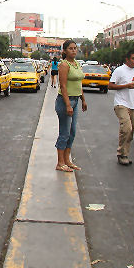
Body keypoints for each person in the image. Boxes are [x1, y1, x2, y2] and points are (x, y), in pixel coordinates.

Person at [108, 49, 134, 166]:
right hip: (121, 104)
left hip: (133, 105)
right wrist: (126, 86)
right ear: (127, 59)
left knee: (131, 130)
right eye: (133, 58)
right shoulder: (119, 71)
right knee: (127, 128)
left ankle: (125, 153)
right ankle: (121, 153)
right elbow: (110, 86)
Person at [55, 40, 87, 172]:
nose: (74, 50)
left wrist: (83, 100)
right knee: (65, 132)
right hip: (64, 101)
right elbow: (63, 86)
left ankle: (67, 160)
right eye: (71, 48)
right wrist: (68, 105)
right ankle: (60, 162)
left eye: (75, 48)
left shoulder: (77, 64)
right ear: (65, 51)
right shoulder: (64, 65)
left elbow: (79, 84)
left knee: (72, 132)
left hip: (76, 100)